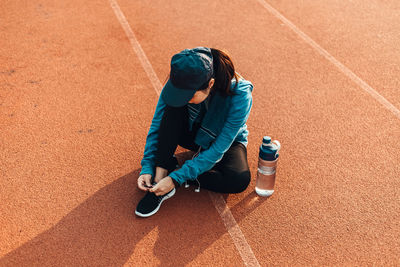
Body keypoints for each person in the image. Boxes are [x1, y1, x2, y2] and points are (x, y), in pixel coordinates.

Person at [135, 47, 254, 217]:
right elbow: (158, 125)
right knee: (172, 108)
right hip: (190, 132)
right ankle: (159, 175)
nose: (184, 99)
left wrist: (177, 178)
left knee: (238, 180)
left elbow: (219, 148)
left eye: (189, 96)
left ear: (210, 84)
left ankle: (171, 174)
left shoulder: (240, 95)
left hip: (222, 139)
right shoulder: (180, 78)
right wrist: (147, 166)